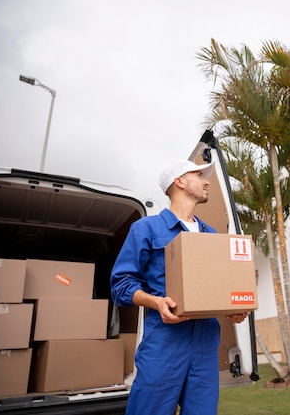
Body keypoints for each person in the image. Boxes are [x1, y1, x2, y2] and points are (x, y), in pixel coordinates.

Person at [111, 159, 249, 415]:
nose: (206, 181)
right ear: (180, 181)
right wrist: (156, 302)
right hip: (164, 343)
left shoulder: (213, 236)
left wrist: (235, 309)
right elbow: (121, 285)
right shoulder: (146, 229)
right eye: (199, 175)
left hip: (206, 344)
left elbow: (219, 288)